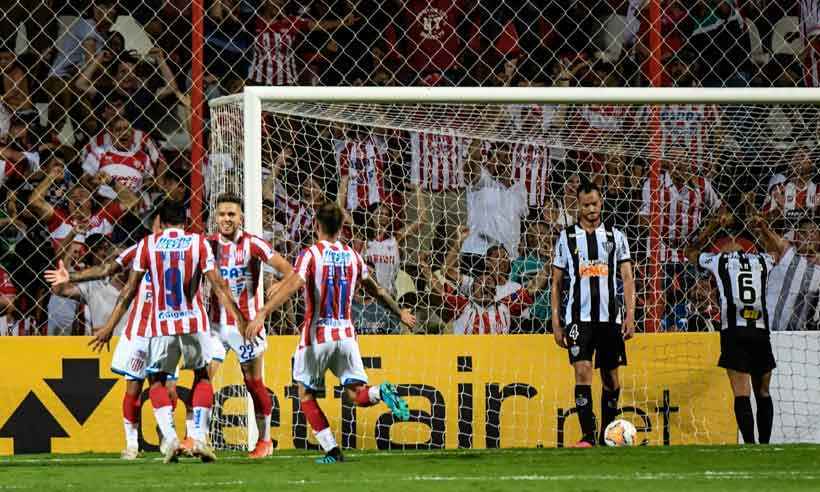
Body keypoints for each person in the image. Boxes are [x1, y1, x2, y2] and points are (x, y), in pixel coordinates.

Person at [244, 202, 416, 464]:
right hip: (347, 336)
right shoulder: (353, 255)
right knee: (356, 393)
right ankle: (380, 392)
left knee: (306, 394)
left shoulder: (311, 254)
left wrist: (263, 312)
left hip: (317, 336)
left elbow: (294, 286)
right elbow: (378, 290)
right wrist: (400, 312)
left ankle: (332, 450)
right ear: (341, 227)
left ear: (316, 225)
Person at [89, 202, 245, 464]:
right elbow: (218, 284)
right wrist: (239, 317)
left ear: (160, 221)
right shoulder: (198, 243)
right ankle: (199, 437)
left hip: (161, 324)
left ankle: (171, 439)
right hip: (194, 322)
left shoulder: (149, 244)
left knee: (157, 380)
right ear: (185, 221)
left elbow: (128, 290)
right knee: (202, 376)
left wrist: (108, 326)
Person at [46, 212, 181, 459]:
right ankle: (132, 444)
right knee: (135, 387)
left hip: (159, 334)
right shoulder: (97, 285)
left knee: (168, 388)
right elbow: (59, 288)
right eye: (109, 253)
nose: (119, 261)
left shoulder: (151, 272)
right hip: (132, 339)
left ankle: (167, 439)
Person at [206, 193, 294, 458]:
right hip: (216, 326)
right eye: (222, 214)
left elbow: (290, 270)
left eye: (231, 214)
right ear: (215, 217)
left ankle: (265, 440)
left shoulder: (254, 244)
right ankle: (196, 437)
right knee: (203, 378)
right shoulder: (206, 245)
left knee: (253, 384)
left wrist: (279, 283)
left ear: (241, 217)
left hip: (247, 326)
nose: (226, 219)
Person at [551, 180, 636, 447]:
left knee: (610, 378)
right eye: (586, 205)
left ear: (602, 203)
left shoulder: (616, 236)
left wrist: (630, 315)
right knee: (583, 371)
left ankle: (606, 435)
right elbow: (556, 282)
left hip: (610, 319)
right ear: (578, 205)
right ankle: (588, 435)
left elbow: (627, 278)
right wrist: (556, 320)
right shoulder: (566, 237)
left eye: (595, 204)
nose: (591, 209)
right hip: (579, 319)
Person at [685, 213, 776, 445]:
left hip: (733, 332)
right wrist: (762, 228)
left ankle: (749, 443)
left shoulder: (719, 260)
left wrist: (713, 226)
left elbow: (690, 253)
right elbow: (778, 252)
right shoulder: (761, 261)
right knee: (763, 392)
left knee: (741, 393)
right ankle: (764, 445)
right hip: (760, 330)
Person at [751, 215, 820, 332]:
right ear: (797, 236)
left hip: (796, 334)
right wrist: (762, 226)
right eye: (804, 233)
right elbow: (770, 237)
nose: (809, 237)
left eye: (813, 233)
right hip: (766, 326)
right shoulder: (786, 252)